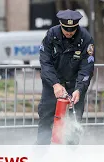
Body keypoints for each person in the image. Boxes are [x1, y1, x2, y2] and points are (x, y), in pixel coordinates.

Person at [36, 9, 95, 145]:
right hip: (52, 86)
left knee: (73, 123)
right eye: (66, 29)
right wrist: (55, 84)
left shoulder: (86, 38)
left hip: (74, 86)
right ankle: (40, 154)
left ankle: (70, 156)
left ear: (77, 26)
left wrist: (79, 89)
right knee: (45, 120)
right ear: (60, 25)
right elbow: (45, 62)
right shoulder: (52, 35)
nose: (69, 32)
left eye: (72, 29)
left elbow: (86, 68)